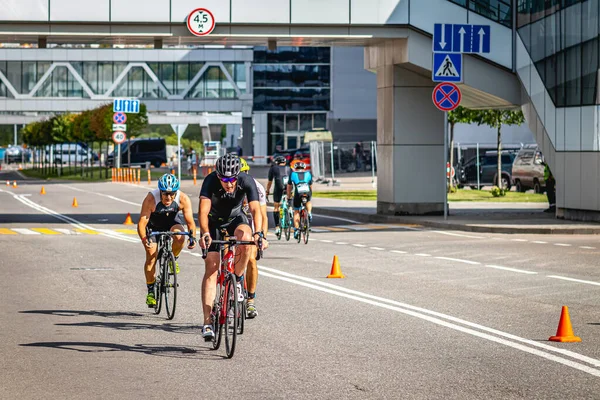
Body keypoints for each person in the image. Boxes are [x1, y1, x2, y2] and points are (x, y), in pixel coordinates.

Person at [198, 153, 266, 340]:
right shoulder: (210, 181)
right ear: (218, 176)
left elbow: (255, 209)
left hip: (236, 219)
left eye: (232, 179)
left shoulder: (246, 180)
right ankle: (207, 322)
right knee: (212, 268)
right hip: (214, 222)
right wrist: (204, 233)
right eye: (225, 179)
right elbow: (203, 212)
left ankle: (236, 278)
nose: (229, 183)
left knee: (247, 239)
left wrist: (259, 233)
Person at [137, 174, 197, 307]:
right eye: (165, 194)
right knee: (151, 256)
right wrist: (144, 239)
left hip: (172, 223)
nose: (168, 197)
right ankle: (151, 291)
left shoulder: (183, 199)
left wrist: (192, 237)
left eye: (171, 194)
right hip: (153, 226)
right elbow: (141, 223)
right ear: (160, 192)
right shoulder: (151, 199)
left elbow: (190, 222)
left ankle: (173, 258)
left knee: (180, 237)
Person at [239, 158, 268, 318]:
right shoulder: (227, 185)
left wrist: (261, 237)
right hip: (232, 221)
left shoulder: (257, 187)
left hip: (250, 223)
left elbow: (262, 216)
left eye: (244, 173)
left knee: (251, 259)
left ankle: (250, 300)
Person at [286, 161, 313, 240]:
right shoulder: (308, 174)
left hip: (298, 192)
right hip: (307, 191)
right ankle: (309, 213)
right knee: (308, 201)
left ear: (295, 168)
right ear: (304, 168)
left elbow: (289, 186)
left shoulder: (293, 174)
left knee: (296, 211)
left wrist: (289, 196)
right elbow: (310, 186)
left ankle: (296, 230)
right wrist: (310, 194)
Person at [266, 155, 291, 237]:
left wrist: (267, 191)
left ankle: (277, 227)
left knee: (276, 207)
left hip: (279, 187)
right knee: (289, 196)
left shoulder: (273, 168)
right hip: (288, 187)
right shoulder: (289, 168)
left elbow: (270, 181)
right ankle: (290, 208)